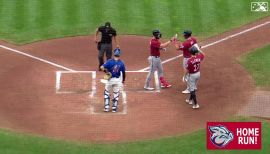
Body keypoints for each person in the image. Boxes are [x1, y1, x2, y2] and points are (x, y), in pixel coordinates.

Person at [100, 48, 125, 112]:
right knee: (116, 93)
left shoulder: (109, 61)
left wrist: (106, 72)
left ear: (114, 54)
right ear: (119, 55)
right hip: (117, 81)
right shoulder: (122, 63)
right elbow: (124, 73)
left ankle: (106, 107)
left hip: (110, 80)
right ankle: (114, 108)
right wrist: (123, 80)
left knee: (107, 93)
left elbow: (101, 67)